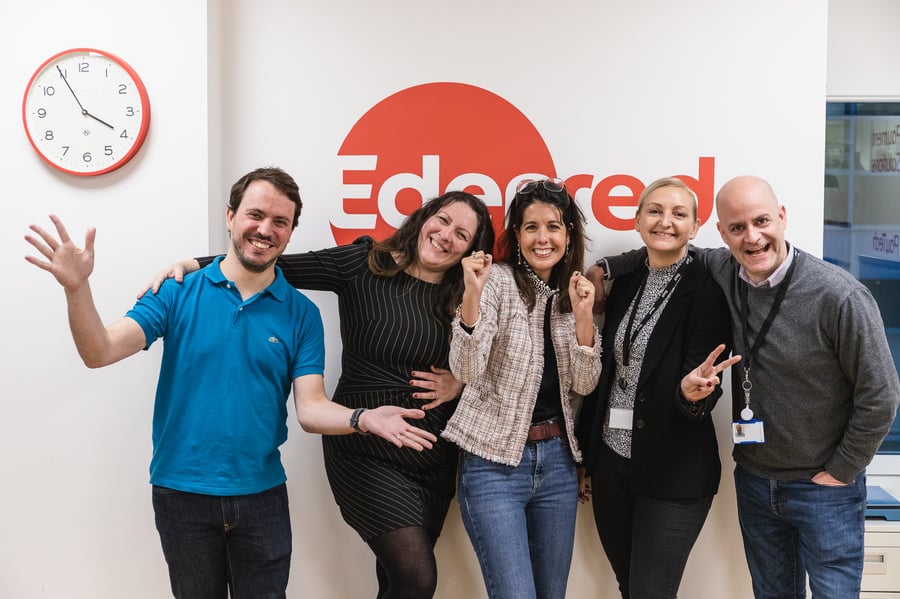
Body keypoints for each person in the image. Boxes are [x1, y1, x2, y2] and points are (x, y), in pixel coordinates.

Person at [25, 167, 434, 599]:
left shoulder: (301, 314)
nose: (265, 229)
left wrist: (364, 417)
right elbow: (100, 351)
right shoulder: (177, 290)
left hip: (262, 497)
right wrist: (77, 288)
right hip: (181, 493)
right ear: (230, 216)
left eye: (280, 222)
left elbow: (311, 410)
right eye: (255, 215)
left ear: (291, 233)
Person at [143, 190, 495, 598]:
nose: (446, 235)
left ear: (472, 250)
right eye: (443, 220)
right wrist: (192, 264)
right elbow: (274, 263)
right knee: (418, 576)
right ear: (424, 217)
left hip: (430, 453)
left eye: (462, 234)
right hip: (365, 449)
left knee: (399, 579)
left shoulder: (470, 293)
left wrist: (461, 382)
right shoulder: (366, 263)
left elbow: (498, 365)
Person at [591, 175, 900, 598]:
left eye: (762, 221)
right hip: (756, 478)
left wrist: (842, 469)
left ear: (783, 218)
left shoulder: (839, 295)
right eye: (737, 228)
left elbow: (880, 394)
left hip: (824, 487)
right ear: (721, 233)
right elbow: (666, 247)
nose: (752, 237)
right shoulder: (723, 269)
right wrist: (607, 266)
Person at [576, 177, 739, 599]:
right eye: (655, 211)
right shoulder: (625, 281)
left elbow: (706, 378)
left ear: (697, 226)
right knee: (630, 585)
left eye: (679, 214)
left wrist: (691, 393)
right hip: (612, 464)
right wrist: (587, 454)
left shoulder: (708, 290)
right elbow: (608, 374)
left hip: (674, 468)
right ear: (637, 219)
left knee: (651, 591)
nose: (665, 222)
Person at [441, 178, 601, 599]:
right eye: (531, 227)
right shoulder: (497, 282)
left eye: (553, 226)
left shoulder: (573, 294)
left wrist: (584, 316)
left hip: (558, 467)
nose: (542, 237)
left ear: (568, 233)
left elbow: (584, 383)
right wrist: (472, 295)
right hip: (493, 464)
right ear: (517, 235)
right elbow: (466, 368)